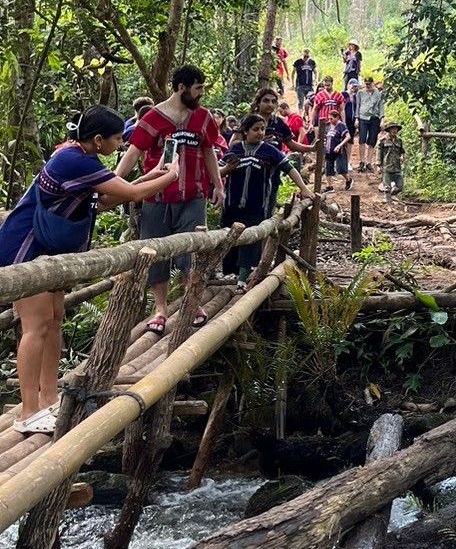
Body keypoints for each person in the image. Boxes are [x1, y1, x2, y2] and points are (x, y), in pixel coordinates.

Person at [0, 107, 180, 434]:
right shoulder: (74, 161)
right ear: (98, 140)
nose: (120, 145)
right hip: (24, 248)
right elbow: (133, 195)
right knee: (36, 325)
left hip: (49, 250)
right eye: (116, 139)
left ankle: (49, 398)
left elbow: (103, 201)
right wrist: (171, 174)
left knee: (53, 322)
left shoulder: (80, 158)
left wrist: (149, 177)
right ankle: (28, 411)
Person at [116, 64, 225, 334]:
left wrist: (219, 186)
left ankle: (193, 303)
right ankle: (160, 309)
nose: (201, 94)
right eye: (198, 88)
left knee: (192, 251)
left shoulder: (203, 118)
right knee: (156, 254)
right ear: (181, 88)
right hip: (156, 197)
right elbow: (133, 152)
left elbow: (209, 152)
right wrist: (114, 181)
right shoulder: (153, 118)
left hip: (193, 196)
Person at [220, 113, 311, 288]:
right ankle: (230, 274)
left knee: (251, 239)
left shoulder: (270, 151)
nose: (260, 132)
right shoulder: (235, 150)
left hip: (257, 205)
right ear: (245, 131)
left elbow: (289, 169)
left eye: (262, 129)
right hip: (232, 204)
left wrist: (304, 189)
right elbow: (218, 172)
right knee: (229, 239)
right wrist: (227, 168)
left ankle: (242, 279)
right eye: (255, 129)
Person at [243, 87, 293, 151]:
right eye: (266, 101)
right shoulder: (248, 120)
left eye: (273, 101)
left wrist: (309, 148)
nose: (270, 104)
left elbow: (291, 144)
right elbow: (233, 143)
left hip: (275, 159)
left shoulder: (279, 123)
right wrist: (257, 142)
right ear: (258, 103)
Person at [355, 76, 384, 171]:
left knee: (372, 140)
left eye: (369, 84)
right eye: (366, 84)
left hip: (374, 118)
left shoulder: (378, 94)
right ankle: (362, 161)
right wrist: (356, 118)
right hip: (363, 117)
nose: (368, 86)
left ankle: (369, 161)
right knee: (362, 139)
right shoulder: (360, 93)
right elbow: (358, 106)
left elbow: (381, 107)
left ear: (373, 83)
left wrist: (382, 119)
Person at [323, 107, 352, 191]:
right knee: (328, 168)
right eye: (329, 118)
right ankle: (329, 186)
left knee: (341, 169)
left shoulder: (341, 126)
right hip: (329, 149)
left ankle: (348, 180)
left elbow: (348, 136)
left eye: (331, 118)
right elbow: (326, 136)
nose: (330, 120)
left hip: (339, 150)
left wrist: (340, 145)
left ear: (337, 117)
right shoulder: (328, 126)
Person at [377, 120, 405, 198]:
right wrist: (378, 165)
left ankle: (393, 195)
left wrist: (402, 157)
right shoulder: (383, 140)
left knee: (400, 186)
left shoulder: (399, 140)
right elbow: (379, 153)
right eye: (392, 129)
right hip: (387, 166)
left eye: (395, 129)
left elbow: (402, 151)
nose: (394, 131)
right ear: (389, 130)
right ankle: (389, 204)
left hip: (397, 166)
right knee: (387, 188)